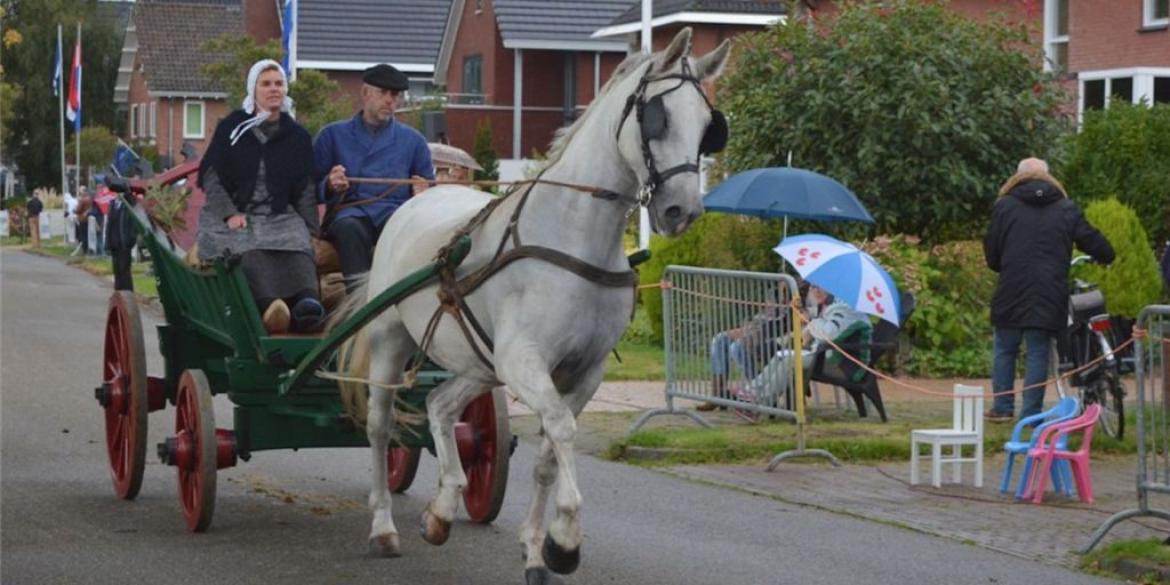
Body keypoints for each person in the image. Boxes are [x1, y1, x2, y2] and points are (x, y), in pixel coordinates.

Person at [197, 59, 324, 334]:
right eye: (266, 84)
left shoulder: (297, 136)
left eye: (278, 84)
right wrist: (230, 213)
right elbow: (211, 176)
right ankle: (270, 307)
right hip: (237, 213)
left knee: (298, 243)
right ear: (253, 90)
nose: (273, 89)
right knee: (249, 249)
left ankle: (307, 303)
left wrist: (312, 230)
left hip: (279, 214)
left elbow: (304, 189)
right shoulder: (232, 128)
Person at [983, 157, 1115, 422]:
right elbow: (1092, 240)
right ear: (1048, 177)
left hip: (1011, 287)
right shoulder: (1065, 208)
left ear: (1017, 177)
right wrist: (1106, 255)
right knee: (1038, 351)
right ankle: (1031, 413)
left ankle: (1003, 408)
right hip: (1049, 290)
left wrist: (1005, 267)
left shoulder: (1004, 206)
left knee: (1005, 349)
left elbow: (992, 252)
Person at [313, 63, 435, 292]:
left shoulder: (414, 141)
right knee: (349, 229)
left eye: (395, 95)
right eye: (383, 93)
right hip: (350, 213)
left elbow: (428, 187)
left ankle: (403, 300)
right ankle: (358, 304)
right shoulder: (332, 135)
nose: (390, 100)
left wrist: (424, 192)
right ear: (365, 93)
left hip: (395, 214)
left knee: (408, 231)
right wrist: (329, 185)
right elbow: (309, 188)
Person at [742, 285, 870, 406]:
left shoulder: (846, 308)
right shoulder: (830, 305)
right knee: (780, 355)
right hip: (827, 357)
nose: (816, 291)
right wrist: (809, 325)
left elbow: (828, 334)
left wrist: (810, 322)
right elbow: (813, 333)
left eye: (822, 287)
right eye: (813, 286)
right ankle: (751, 392)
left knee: (789, 361)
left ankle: (759, 402)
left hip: (844, 366)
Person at [704, 286, 789, 411]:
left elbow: (779, 328)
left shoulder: (795, 296)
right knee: (720, 339)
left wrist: (751, 334)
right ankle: (718, 394)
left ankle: (756, 393)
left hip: (773, 339)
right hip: (756, 332)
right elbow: (755, 325)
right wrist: (743, 332)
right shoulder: (774, 291)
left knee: (737, 347)